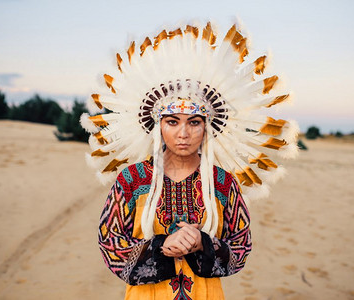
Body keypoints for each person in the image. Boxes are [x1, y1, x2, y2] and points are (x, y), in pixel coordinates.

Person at [81, 22, 298, 300]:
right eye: (172, 122)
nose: (183, 133)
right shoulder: (131, 180)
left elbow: (241, 249)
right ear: (157, 125)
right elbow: (109, 243)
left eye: (194, 122)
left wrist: (203, 244)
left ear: (207, 126)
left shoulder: (223, 183)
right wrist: (160, 245)